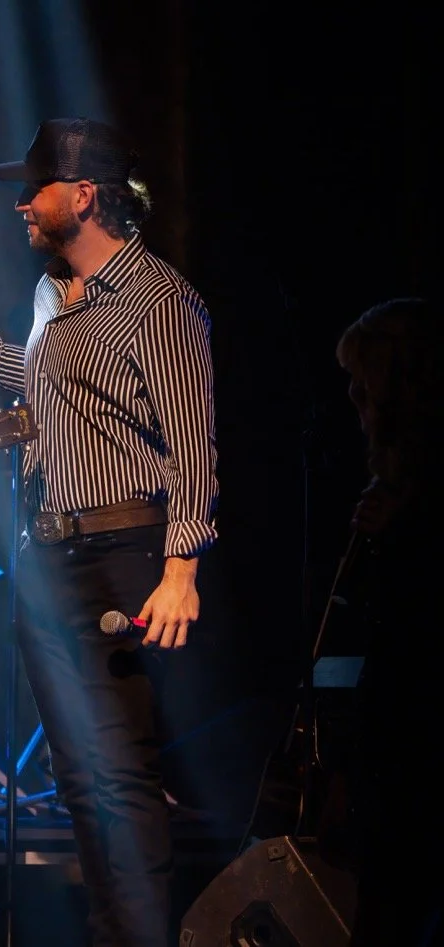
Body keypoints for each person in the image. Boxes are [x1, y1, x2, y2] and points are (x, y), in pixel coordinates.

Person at [0, 117, 219, 946]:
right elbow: (48, 382)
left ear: (85, 196)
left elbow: (193, 441)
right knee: (78, 777)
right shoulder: (51, 295)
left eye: (36, 189)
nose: (22, 204)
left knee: (121, 775)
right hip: (51, 559)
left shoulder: (159, 299)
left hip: (123, 554)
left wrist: (182, 565)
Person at [333, 297, 441, 947]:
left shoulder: (418, 500)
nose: (355, 403)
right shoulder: (393, 488)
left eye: (363, 387)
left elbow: (408, 640)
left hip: (415, 743)